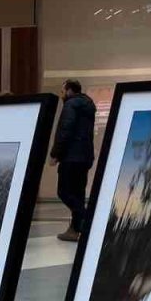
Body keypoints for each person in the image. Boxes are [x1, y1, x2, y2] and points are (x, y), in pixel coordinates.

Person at [50, 79, 97, 242]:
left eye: (63, 91)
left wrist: (55, 154)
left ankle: (87, 218)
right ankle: (75, 230)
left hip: (71, 157)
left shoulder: (71, 105)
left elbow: (65, 130)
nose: (61, 94)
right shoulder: (88, 106)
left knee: (64, 191)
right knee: (78, 193)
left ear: (70, 91)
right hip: (85, 156)